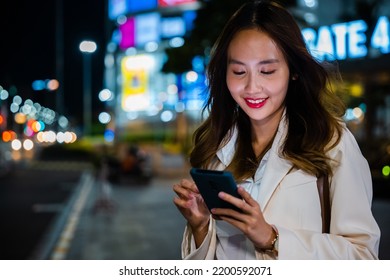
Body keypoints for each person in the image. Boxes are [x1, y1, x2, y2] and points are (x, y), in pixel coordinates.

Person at [172, 0, 380, 260]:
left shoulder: (331, 142)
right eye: (238, 71)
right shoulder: (217, 149)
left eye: (267, 71)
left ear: (293, 71)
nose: (252, 87)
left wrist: (272, 238)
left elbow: (364, 257)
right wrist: (200, 226)